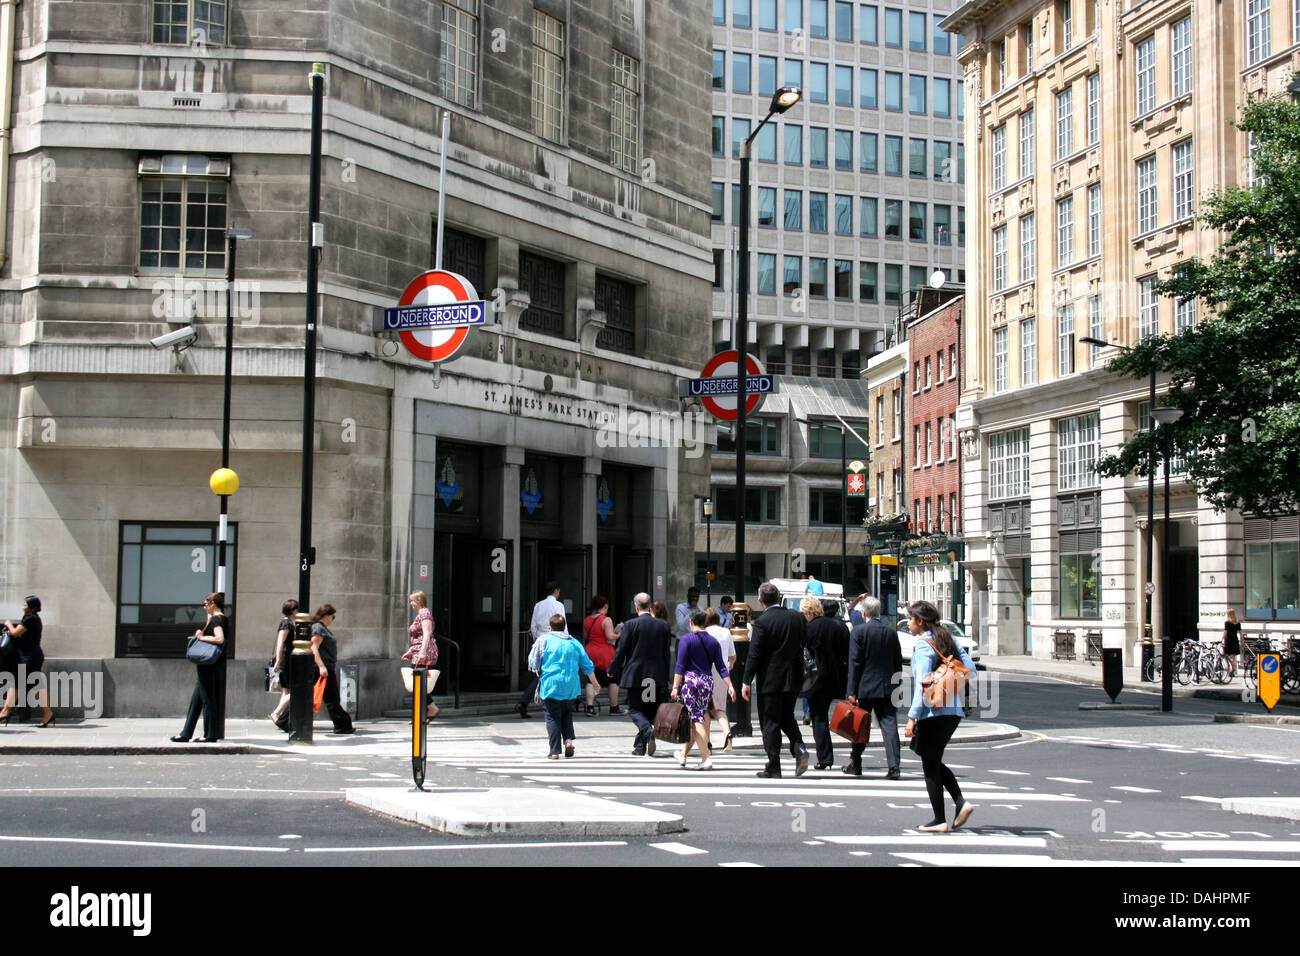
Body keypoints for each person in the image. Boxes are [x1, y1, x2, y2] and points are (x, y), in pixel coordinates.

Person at [904, 599, 976, 832]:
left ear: (920, 621)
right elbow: (970, 671)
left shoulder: (924, 645)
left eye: (911, 619)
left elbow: (922, 686)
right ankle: (959, 803)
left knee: (929, 762)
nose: (908, 623)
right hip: (953, 711)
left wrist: (912, 717)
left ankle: (940, 819)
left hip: (932, 712)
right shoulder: (949, 639)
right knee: (931, 759)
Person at [742, 581, 810, 778]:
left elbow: (754, 655)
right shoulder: (796, 617)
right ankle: (799, 748)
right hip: (793, 678)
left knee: (770, 722)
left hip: (771, 680)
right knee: (787, 716)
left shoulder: (762, 622)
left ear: (760, 601)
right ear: (779, 598)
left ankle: (774, 765)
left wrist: (746, 681)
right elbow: (806, 642)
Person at [845, 595, 903, 778]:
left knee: (860, 726)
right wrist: (897, 685)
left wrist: (851, 691)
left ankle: (856, 762)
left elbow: (854, 663)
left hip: (865, 686)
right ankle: (894, 766)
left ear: (863, 613)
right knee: (889, 725)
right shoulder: (891, 633)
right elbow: (897, 662)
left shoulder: (858, 632)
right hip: (887, 686)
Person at [609, 592, 672, 756]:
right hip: (655, 675)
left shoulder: (630, 625)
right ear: (650, 606)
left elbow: (621, 650)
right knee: (649, 709)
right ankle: (639, 746)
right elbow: (667, 654)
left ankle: (646, 731)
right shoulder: (663, 626)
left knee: (636, 709)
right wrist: (667, 677)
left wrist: (612, 668)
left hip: (637, 675)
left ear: (635, 606)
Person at [671, 609, 735, 770]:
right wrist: (730, 685)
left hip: (691, 682)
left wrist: (675, 687)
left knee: (696, 719)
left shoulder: (687, 640)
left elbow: (680, 666)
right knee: (695, 718)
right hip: (707, 682)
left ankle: (706, 758)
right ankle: (683, 755)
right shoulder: (713, 642)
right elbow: (721, 667)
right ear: (705, 623)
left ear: (691, 622)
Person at [539, 614, 601, 759]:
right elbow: (587, 665)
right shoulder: (574, 642)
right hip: (571, 686)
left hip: (551, 685)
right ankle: (568, 741)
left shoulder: (544, 641)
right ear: (564, 626)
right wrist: (596, 683)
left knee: (552, 717)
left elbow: (532, 662)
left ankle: (554, 751)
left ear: (550, 627)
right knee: (567, 713)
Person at [171, 592, 227, 742]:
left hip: (208, 664)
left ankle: (210, 735)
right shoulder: (220, 619)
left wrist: (201, 637)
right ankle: (186, 733)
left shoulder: (217, 620)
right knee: (196, 700)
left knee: (208, 699)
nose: (204, 607)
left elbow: (219, 639)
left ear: (212, 604)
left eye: (205, 604)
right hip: (214, 663)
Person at [804, 597, 849, 770]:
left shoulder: (810, 628)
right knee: (832, 713)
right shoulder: (840, 626)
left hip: (817, 678)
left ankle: (825, 757)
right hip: (837, 676)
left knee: (819, 717)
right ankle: (854, 756)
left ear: (808, 612)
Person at [1, 595, 53, 726]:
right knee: (30, 685)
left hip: (30, 657)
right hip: (31, 656)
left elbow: (15, 633)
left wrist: (8, 624)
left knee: (20, 684)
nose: (23, 606)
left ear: (32, 606)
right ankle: (47, 714)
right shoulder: (34, 619)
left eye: (25, 604)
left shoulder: (30, 618)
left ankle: (4, 713)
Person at [517, 582, 564, 719]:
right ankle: (524, 702)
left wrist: (538, 639)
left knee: (540, 673)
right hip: (554, 642)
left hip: (540, 642)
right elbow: (562, 625)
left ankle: (526, 703)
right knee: (545, 674)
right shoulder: (558, 606)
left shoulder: (538, 605)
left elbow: (533, 626)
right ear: (556, 591)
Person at [310, 604, 355, 735]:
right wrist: (321, 666)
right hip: (323, 669)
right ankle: (342, 724)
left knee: (330, 698)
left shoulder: (321, 628)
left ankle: (343, 724)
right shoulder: (318, 628)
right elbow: (314, 648)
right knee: (332, 698)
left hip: (326, 667)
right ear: (327, 615)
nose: (333, 619)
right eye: (333, 617)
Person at [401, 591, 440, 721]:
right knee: (419, 684)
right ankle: (426, 712)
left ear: (418, 600)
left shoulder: (424, 613)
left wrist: (422, 653)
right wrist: (411, 651)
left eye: (412, 600)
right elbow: (419, 637)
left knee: (418, 684)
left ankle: (427, 711)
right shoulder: (421, 614)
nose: (411, 603)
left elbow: (427, 634)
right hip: (418, 652)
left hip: (424, 654)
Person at [582, 596, 622, 716]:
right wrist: (619, 634)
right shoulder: (606, 620)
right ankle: (614, 707)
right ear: (605, 606)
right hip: (605, 652)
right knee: (613, 680)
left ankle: (590, 707)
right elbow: (610, 636)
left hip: (590, 651)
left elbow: (585, 637)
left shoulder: (587, 620)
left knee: (590, 680)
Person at [704, 607, 736, 752]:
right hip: (722, 672)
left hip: (704, 671)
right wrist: (730, 666)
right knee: (719, 708)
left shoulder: (703, 633)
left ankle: (706, 741)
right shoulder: (726, 632)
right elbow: (733, 656)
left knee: (704, 709)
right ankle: (727, 733)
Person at [269, 598, 298, 732]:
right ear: (292, 610)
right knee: (295, 689)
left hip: (287, 659)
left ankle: (279, 715)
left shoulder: (288, 622)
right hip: (287, 660)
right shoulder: (286, 623)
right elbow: (280, 642)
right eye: (297, 609)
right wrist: (278, 660)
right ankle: (276, 712)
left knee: (286, 690)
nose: (298, 611)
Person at [1223, 608, 1241, 677]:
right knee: (1233, 657)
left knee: (1226, 655)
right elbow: (1240, 632)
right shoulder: (1237, 622)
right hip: (1235, 640)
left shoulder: (1227, 623)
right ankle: (1234, 669)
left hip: (1228, 640)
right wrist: (1242, 640)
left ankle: (1231, 669)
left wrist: (1222, 640)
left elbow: (1225, 632)